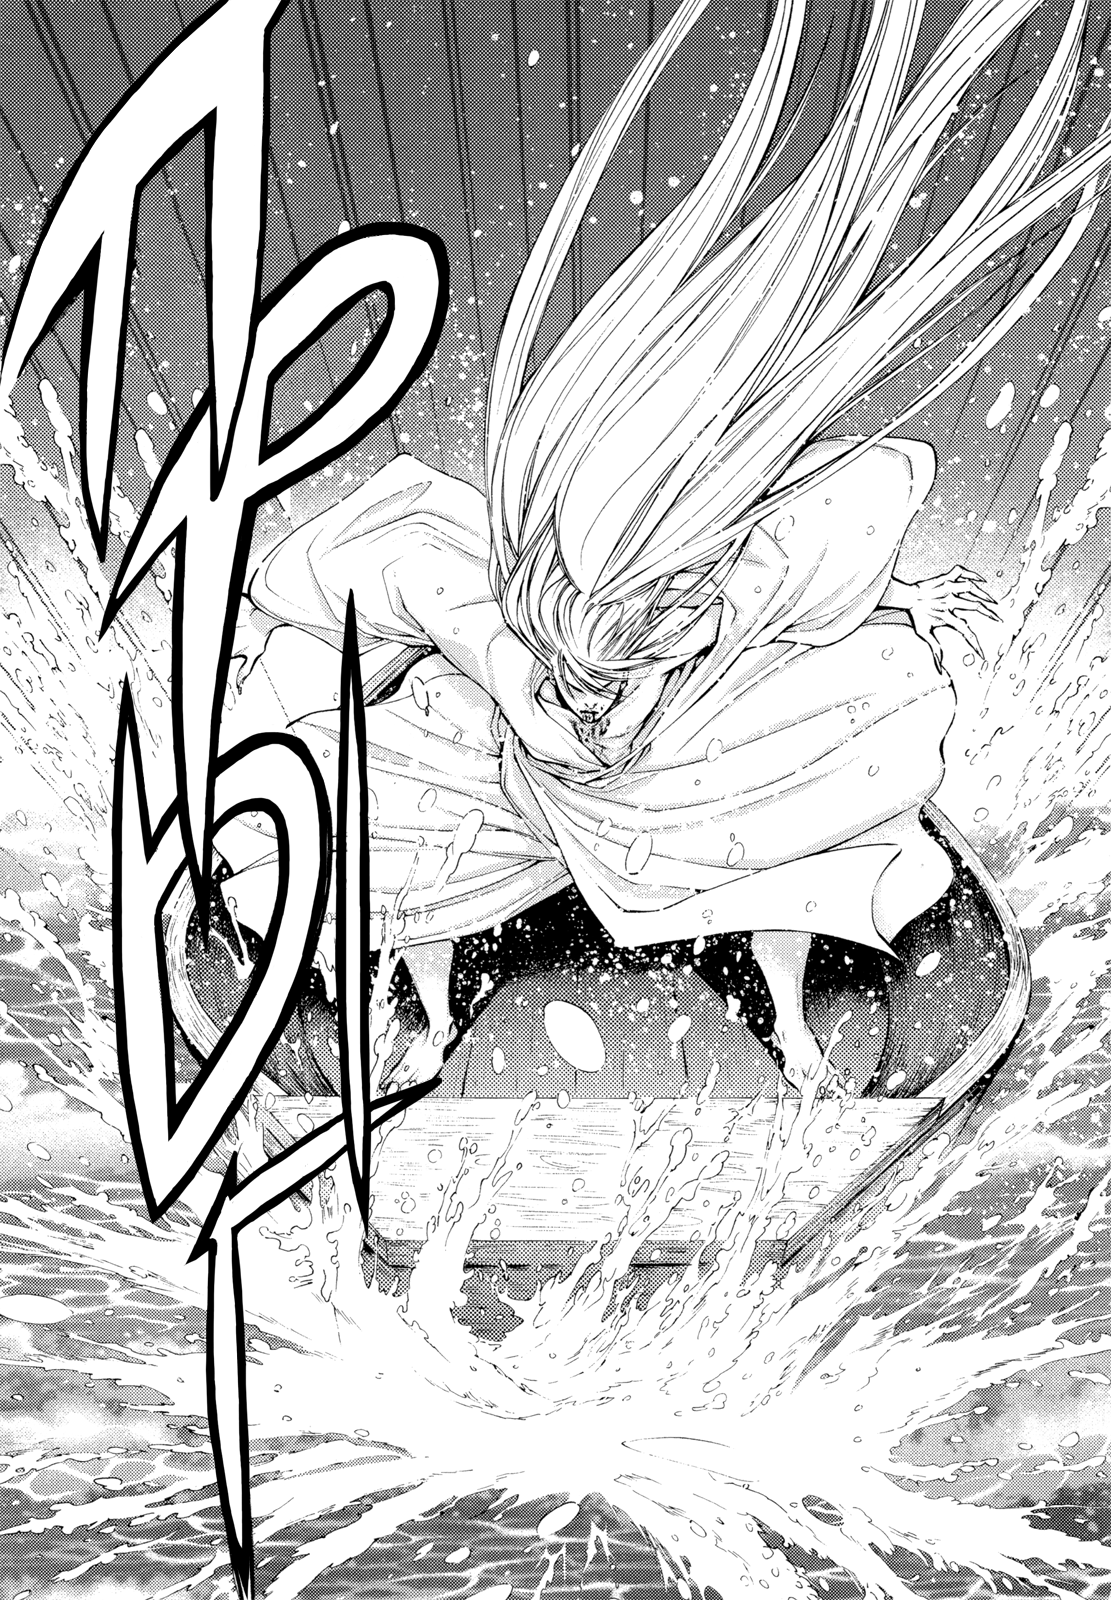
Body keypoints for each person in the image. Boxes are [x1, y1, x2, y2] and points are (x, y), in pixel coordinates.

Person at [219, 0, 1104, 1089]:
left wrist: (899, 605)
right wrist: (504, 686)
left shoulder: (732, 593)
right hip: (506, 771)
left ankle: (794, 1019)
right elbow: (366, 582)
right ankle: (417, 1014)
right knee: (377, 810)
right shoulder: (485, 609)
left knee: (814, 781)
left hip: (664, 779)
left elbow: (806, 577)